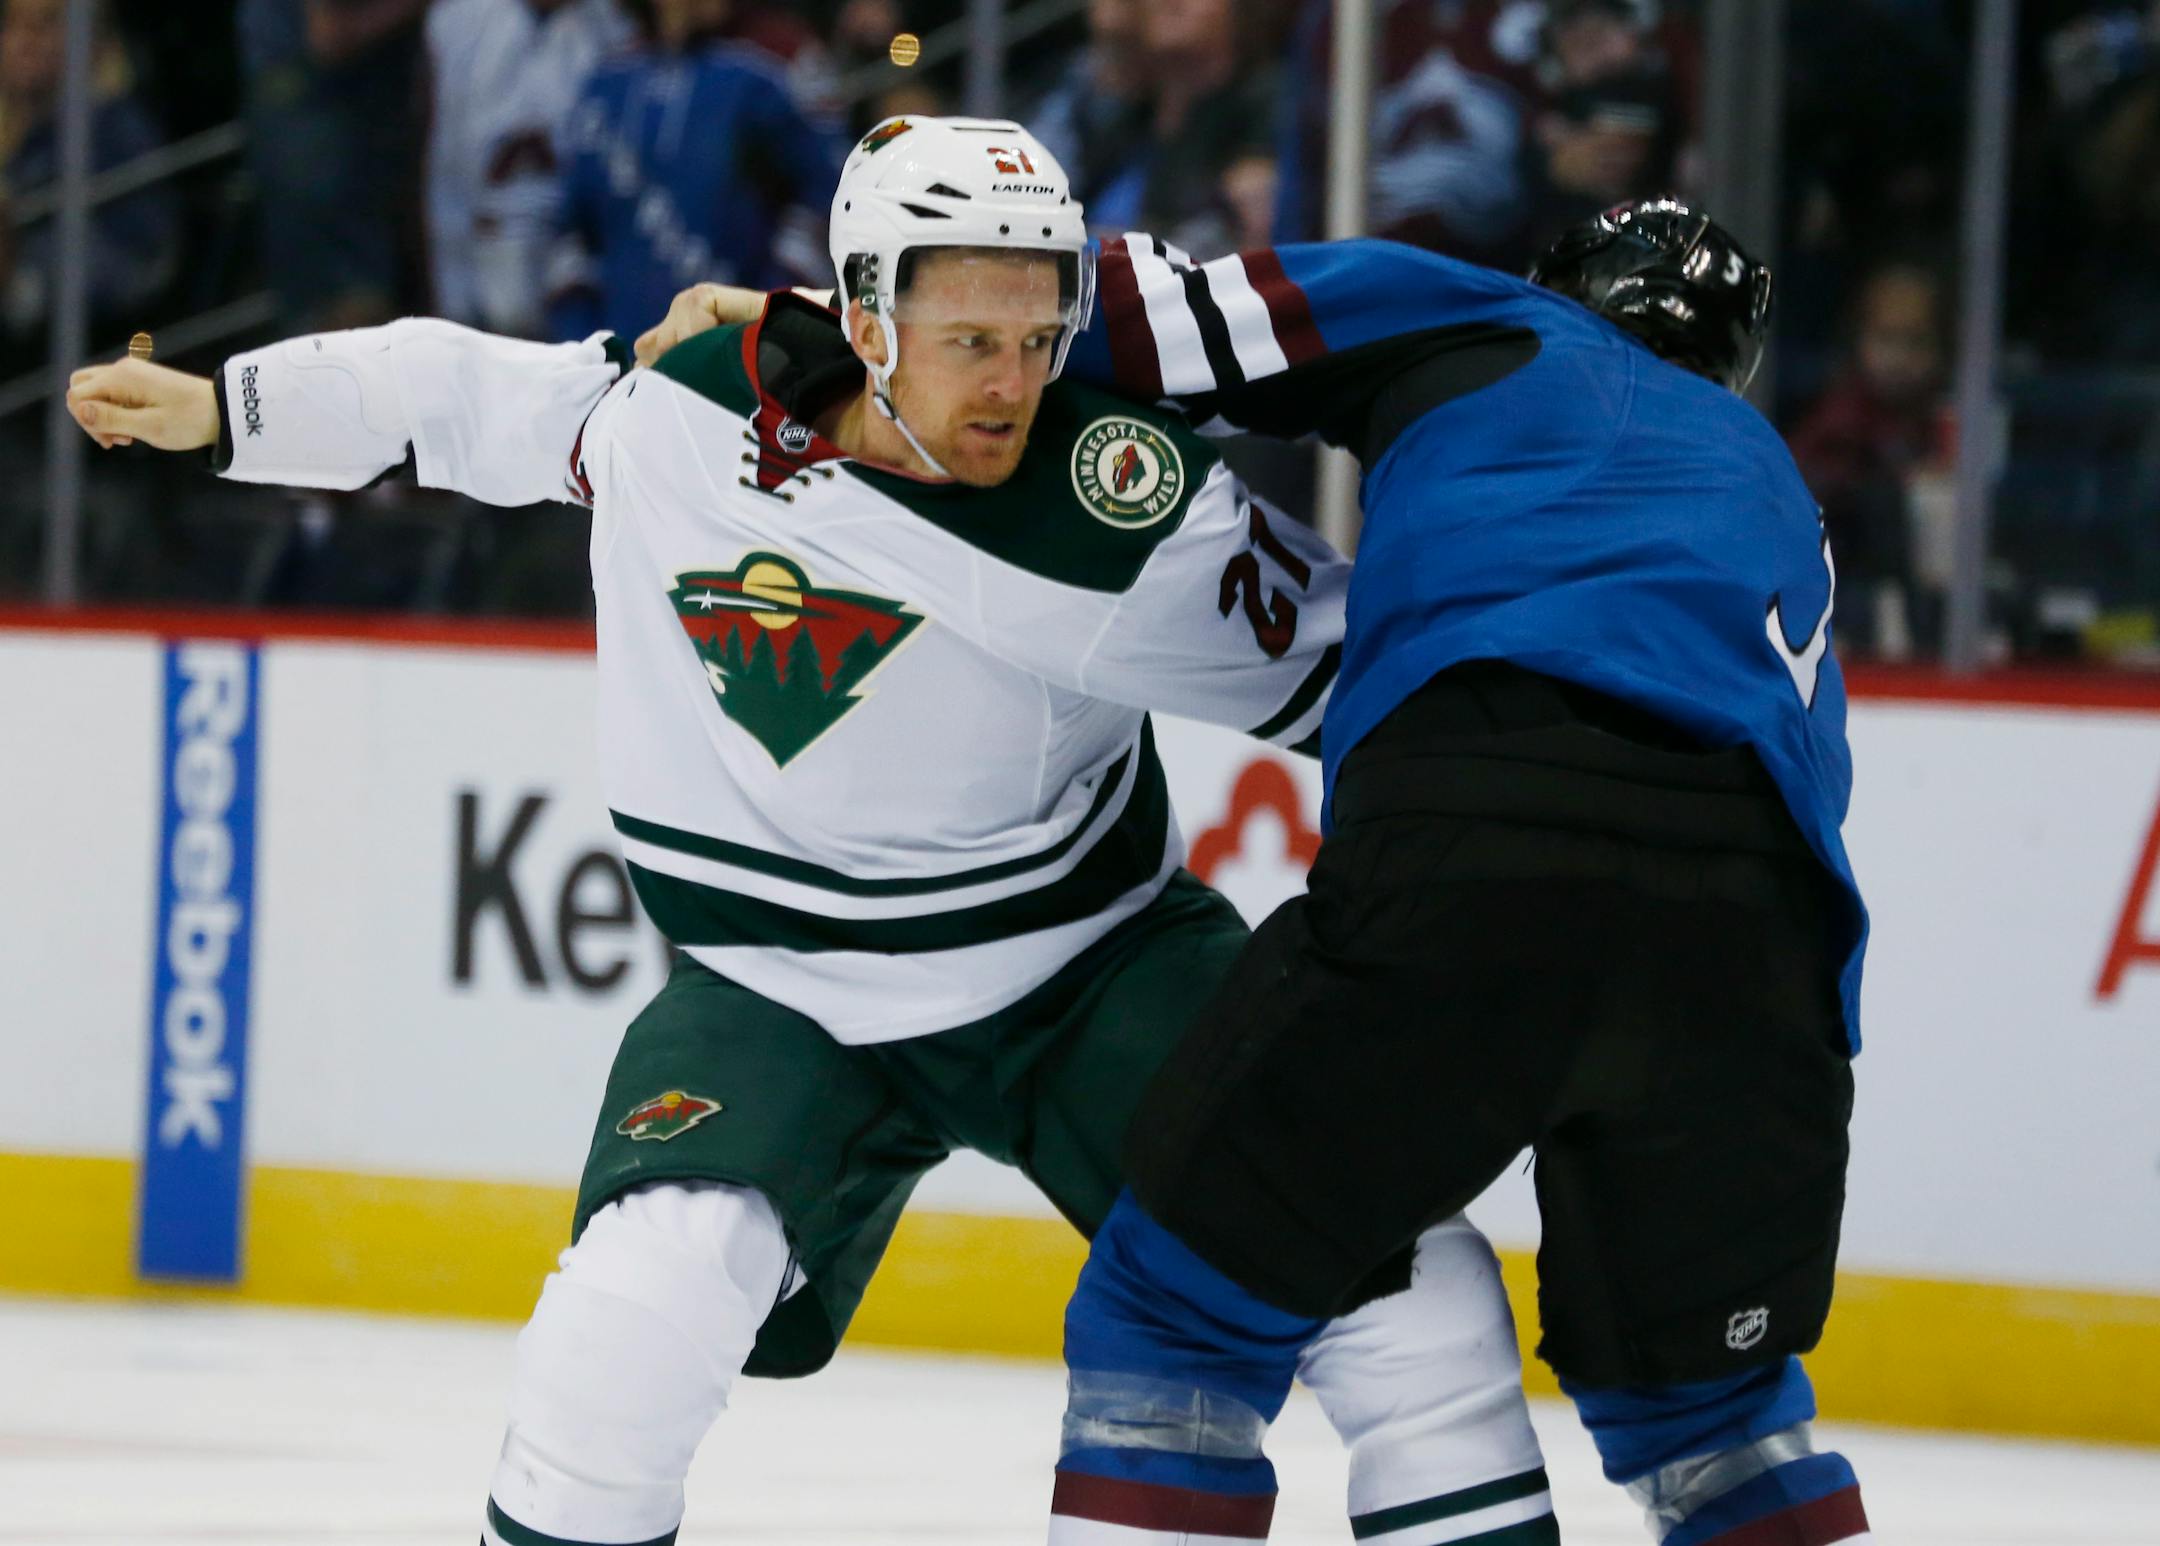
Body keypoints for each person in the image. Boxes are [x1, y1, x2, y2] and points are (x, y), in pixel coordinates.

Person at [67, 117, 1556, 1546]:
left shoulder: (1123, 514)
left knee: (1409, 1299)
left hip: (1096, 969)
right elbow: (464, 399)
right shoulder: (682, 413)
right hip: (781, 991)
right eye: (970, 340)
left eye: (1039, 341)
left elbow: (1376, 676)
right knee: (622, 1326)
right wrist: (229, 410)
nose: (1011, 389)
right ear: (863, 314)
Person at [1036, 204, 1873, 1546]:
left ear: (1566, 282)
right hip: (1765, 939)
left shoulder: (1492, 319)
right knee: (1722, 1429)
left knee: (1175, 1327)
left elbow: (1115, 312)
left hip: (1485, 853)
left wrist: (852, 325)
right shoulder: (1775, 482)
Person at [544, 0, 844, 343]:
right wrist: (587, 342)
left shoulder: (762, 78)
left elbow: (827, 198)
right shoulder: (604, 89)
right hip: (626, 363)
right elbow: (570, 234)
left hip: (735, 362)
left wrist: (766, 312)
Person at [424, 0, 635, 337]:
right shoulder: (456, 22)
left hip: (582, 306)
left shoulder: (618, 29)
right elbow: (441, 179)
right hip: (481, 291)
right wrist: (451, 309)